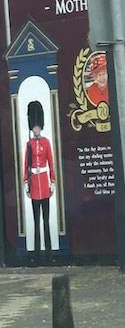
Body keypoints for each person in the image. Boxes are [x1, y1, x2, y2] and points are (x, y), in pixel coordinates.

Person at [23, 100, 55, 264]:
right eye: (34, 126)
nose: (36, 129)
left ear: (40, 126)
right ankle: (37, 253)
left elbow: (50, 162)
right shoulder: (29, 145)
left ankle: (49, 254)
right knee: (36, 221)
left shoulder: (46, 142)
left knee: (46, 221)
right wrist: (26, 183)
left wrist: (53, 181)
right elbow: (26, 165)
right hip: (35, 185)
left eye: (37, 126)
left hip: (44, 183)